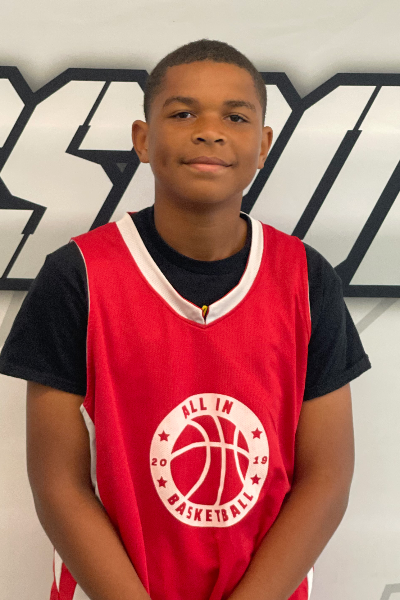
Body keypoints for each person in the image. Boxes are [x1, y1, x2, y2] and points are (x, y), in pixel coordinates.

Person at [0, 39, 371, 600]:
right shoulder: (77, 275)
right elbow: (58, 484)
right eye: (182, 113)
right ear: (142, 140)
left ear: (264, 145)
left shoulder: (306, 278)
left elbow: (327, 478)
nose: (209, 131)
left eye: (236, 116)